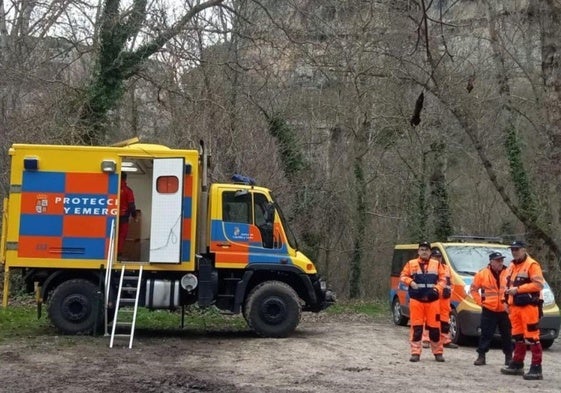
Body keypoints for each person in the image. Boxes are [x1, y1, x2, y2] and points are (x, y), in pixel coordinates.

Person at [500, 241, 545, 380]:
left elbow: (538, 284)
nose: (514, 251)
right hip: (515, 307)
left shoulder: (532, 264)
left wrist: (518, 290)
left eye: (517, 249)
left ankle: (536, 367)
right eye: (513, 249)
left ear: (524, 250)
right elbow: (506, 285)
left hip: (529, 307)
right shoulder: (512, 266)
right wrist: (505, 301)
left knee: (532, 337)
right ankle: (517, 363)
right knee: (518, 336)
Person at [400, 241, 447, 362]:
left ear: (430, 252)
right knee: (416, 327)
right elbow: (403, 276)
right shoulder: (411, 264)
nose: (424, 251)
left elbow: (443, 280)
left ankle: (438, 352)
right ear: (418, 251)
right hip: (417, 300)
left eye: (426, 249)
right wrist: (411, 282)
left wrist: (437, 289)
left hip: (433, 301)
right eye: (422, 249)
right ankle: (415, 352)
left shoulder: (437, 264)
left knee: (435, 328)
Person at [470, 251, 512, 366]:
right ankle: (481, 356)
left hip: (505, 310)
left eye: (501, 260)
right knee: (486, 334)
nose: (500, 262)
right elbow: (473, 290)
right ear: (491, 262)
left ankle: (509, 357)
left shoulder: (508, 272)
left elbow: (513, 289)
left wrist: (510, 303)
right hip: (489, 309)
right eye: (498, 260)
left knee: (507, 335)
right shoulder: (482, 274)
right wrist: (481, 302)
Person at [421, 249, 458, 349]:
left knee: (445, 321)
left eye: (439, 257)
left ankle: (445, 340)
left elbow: (451, 283)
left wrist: (449, 291)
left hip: (444, 300)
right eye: (435, 257)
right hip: (432, 299)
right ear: (431, 258)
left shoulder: (446, 268)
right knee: (429, 319)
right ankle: (426, 339)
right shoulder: (426, 269)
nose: (437, 259)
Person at [118, 172, 137, 259]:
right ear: (125, 179)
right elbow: (131, 205)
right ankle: (118, 255)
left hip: (111, 215)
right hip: (124, 216)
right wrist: (134, 216)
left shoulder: (112, 188)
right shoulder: (128, 190)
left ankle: (109, 253)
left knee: (111, 235)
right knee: (122, 235)